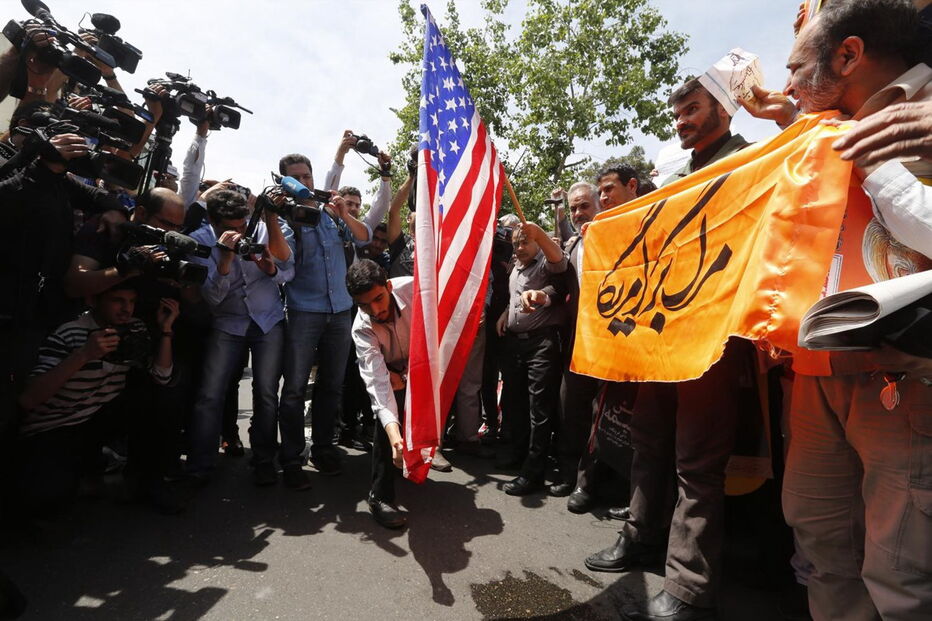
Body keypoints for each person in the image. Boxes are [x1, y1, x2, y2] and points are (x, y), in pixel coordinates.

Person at [746, 2, 932, 618]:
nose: (787, 87)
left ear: (848, 55)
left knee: (900, 574)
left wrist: (879, 165)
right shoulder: (818, 127)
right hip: (814, 378)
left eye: (797, 69)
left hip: (905, 378)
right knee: (822, 547)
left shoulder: (925, 109)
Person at [584, 78, 751, 621]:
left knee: (696, 462)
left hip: (710, 338)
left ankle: (689, 585)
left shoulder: (749, 162)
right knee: (648, 442)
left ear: (723, 110)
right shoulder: (675, 178)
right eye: (677, 114)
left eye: (693, 110)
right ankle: (639, 538)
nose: (682, 122)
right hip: (659, 334)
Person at [15, 282, 177, 514]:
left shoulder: (133, 328)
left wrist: (166, 331)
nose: (126, 309)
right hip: (56, 425)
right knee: (47, 497)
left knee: (155, 398)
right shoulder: (70, 333)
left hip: (97, 417)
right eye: (117, 301)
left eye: (131, 302)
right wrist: (83, 354)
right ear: (94, 301)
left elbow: (162, 376)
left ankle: (143, 479)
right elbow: (29, 399)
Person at [186, 189, 298, 487]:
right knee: (210, 395)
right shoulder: (200, 241)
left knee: (266, 393)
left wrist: (270, 268)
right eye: (229, 228)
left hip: (268, 320)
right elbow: (211, 299)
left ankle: (263, 460)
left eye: (241, 226)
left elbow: (288, 272)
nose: (237, 233)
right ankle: (200, 467)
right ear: (212, 220)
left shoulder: (263, 228)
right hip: (227, 322)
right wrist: (223, 261)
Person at [277, 152, 371, 478]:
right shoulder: (284, 219)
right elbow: (282, 261)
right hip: (304, 310)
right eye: (296, 178)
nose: (304, 183)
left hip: (341, 310)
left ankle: (323, 448)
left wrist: (344, 212)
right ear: (285, 183)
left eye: (307, 176)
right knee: (294, 388)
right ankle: (290, 456)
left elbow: (364, 237)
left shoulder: (330, 214)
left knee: (332, 384)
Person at [495, 221, 568, 495]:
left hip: (542, 344)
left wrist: (539, 233)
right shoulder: (516, 266)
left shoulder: (547, 263)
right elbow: (515, 297)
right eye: (516, 243)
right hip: (515, 345)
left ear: (538, 242)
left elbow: (559, 265)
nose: (520, 247)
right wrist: (506, 313)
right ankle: (517, 454)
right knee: (514, 404)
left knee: (539, 410)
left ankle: (534, 472)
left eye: (525, 241)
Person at [347, 259, 412, 529]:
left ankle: (415, 458)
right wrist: (395, 438)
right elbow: (378, 388)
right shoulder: (361, 328)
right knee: (386, 418)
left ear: (388, 286)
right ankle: (380, 496)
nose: (375, 310)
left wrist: (410, 375)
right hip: (387, 370)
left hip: (419, 362)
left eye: (378, 299)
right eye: (364, 305)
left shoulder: (416, 290)